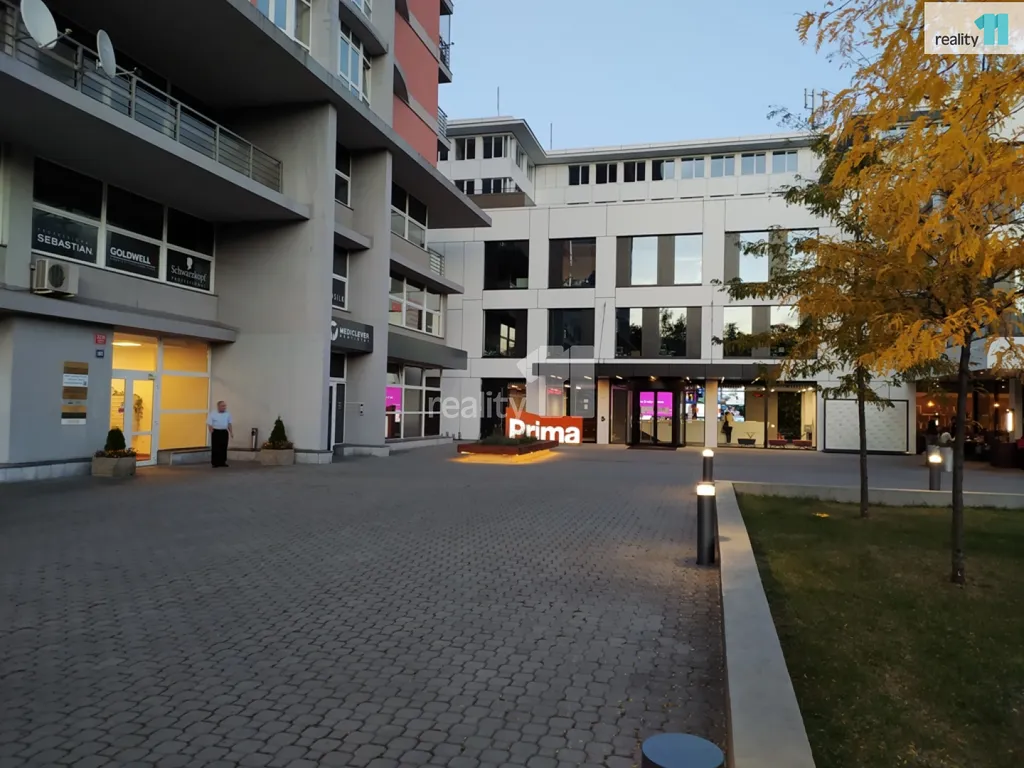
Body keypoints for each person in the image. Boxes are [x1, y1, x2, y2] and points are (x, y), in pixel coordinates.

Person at [207, 400, 233, 468]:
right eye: (222, 406)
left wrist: (231, 432)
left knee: (223, 447)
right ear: (218, 406)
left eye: (225, 406)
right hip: (216, 432)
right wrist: (211, 430)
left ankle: (222, 462)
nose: (224, 407)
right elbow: (209, 424)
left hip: (224, 431)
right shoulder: (213, 413)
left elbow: (229, 424)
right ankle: (215, 463)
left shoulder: (227, 414)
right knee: (216, 447)